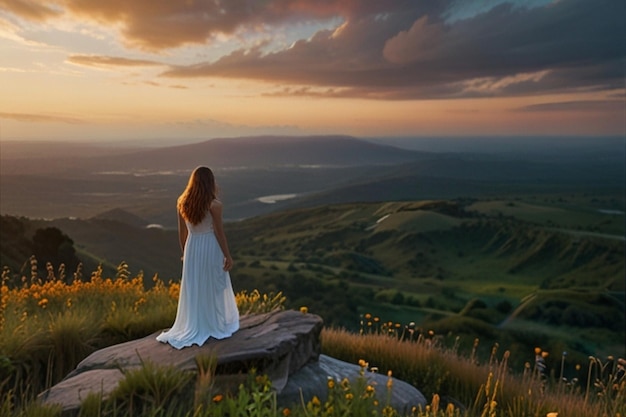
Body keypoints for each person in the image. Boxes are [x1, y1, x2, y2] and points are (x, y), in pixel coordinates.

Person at [157, 166, 239, 349]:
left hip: (192, 246)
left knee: (194, 285)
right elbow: (219, 232)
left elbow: (182, 233)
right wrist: (227, 255)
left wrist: (185, 253)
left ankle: (196, 322)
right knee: (213, 283)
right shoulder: (214, 205)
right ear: (210, 182)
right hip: (209, 246)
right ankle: (212, 322)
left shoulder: (182, 201)